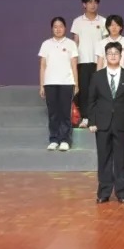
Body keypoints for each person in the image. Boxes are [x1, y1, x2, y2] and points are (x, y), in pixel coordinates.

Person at [89, 42, 124, 204]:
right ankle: (104, 192)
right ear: (105, 56)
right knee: (103, 158)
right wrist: (92, 121)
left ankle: (122, 192)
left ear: (121, 55)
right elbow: (91, 101)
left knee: (122, 159)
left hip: (122, 124)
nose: (113, 56)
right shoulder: (97, 76)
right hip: (102, 124)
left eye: (116, 53)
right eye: (109, 53)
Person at [39, 17, 79, 151]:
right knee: (53, 113)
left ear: (65, 28)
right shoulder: (46, 44)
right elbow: (43, 66)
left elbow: (74, 66)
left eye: (60, 26)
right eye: (55, 27)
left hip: (67, 83)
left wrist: (76, 84)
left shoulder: (71, 44)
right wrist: (42, 85)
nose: (58, 29)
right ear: (52, 29)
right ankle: (54, 139)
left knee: (65, 112)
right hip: (50, 83)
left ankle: (65, 140)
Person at [70, 0, 105, 128]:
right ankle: (85, 117)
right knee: (84, 90)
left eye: (95, 2)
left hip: (99, 62)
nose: (93, 5)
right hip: (83, 61)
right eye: (90, 2)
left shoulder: (103, 21)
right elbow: (75, 42)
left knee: (98, 90)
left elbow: (106, 42)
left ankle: (97, 117)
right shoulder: (77, 21)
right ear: (84, 4)